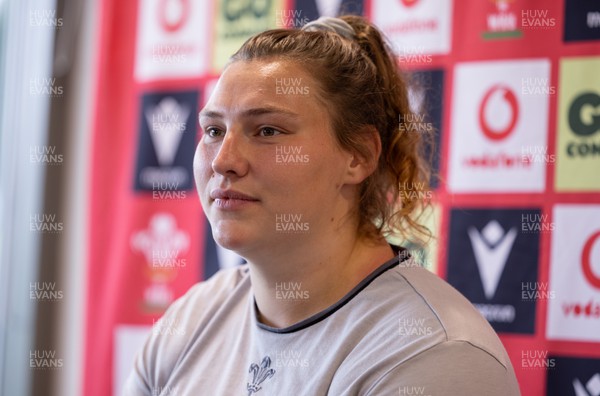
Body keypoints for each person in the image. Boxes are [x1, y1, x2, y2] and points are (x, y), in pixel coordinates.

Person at [124, 15, 521, 395]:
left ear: (358, 156)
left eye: (267, 130)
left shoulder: (434, 353)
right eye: (213, 130)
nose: (222, 160)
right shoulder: (190, 320)